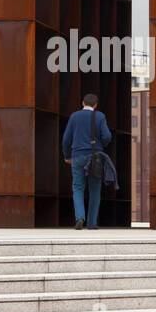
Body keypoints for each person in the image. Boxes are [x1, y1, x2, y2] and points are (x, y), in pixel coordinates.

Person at [62, 92, 112, 230]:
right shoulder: (100, 116)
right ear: (95, 105)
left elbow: (66, 139)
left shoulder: (74, 116)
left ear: (83, 103)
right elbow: (107, 136)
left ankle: (79, 217)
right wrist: (101, 144)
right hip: (95, 156)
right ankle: (91, 222)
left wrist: (67, 156)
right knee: (95, 189)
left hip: (77, 155)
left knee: (78, 187)